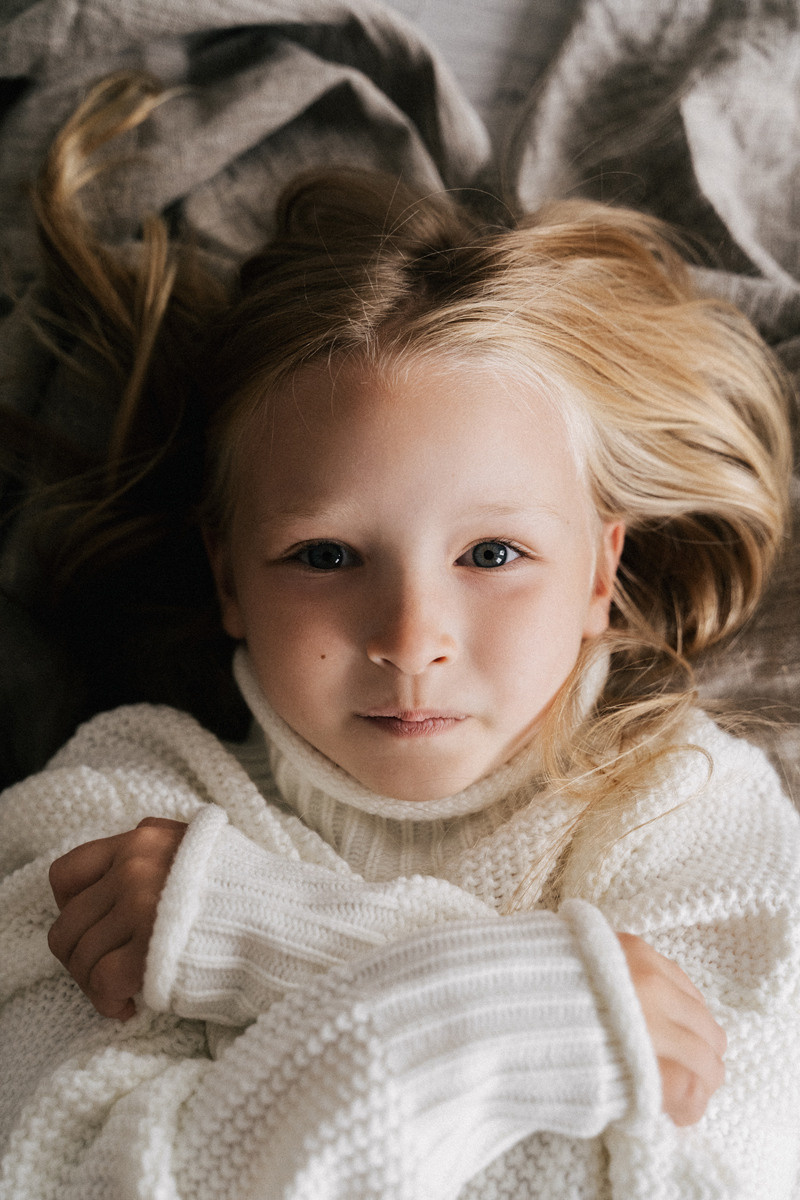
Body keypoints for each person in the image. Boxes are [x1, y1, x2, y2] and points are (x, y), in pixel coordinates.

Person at [1, 72, 799, 1199]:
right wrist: (556, 1018)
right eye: (324, 556)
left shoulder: (687, 810)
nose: (411, 637)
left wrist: (267, 937)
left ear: (598, 573)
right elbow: (73, 1178)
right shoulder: (113, 820)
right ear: (229, 574)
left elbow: (717, 1179)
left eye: (491, 556)